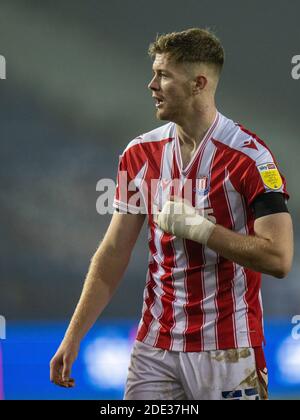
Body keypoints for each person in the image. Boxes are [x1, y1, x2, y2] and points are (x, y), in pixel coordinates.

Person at [50, 28, 294, 400]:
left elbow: (279, 258)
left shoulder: (251, 159)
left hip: (227, 349)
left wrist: (203, 230)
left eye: (163, 75)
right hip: (154, 348)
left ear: (198, 83)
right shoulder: (138, 154)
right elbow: (114, 251)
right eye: (154, 73)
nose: (152, 84)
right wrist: (73, 335)